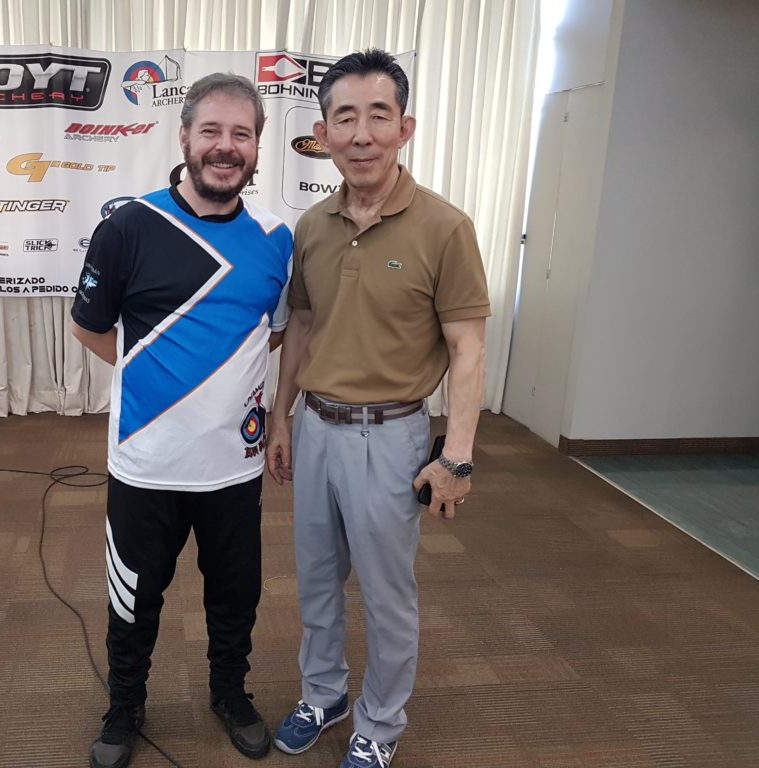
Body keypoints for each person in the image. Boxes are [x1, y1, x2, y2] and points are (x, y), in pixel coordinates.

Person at [267, 49, 490, 768]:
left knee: (388, 595)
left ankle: (381, 723)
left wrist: (457, 459)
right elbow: (303, 327)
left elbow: (468, 349)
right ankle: (324, 693)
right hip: (315, 427)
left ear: (404, 127)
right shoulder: (312, 226)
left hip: (391, 437)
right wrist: (281, 417)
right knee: (316, 580)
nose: (361, 134)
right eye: (345, 118)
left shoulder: (445, 228)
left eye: (378, 116)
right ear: (323, 134)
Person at [71, 73, 292, 768]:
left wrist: (221, 387)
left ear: (257, 147)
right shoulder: (128, 227)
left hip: (234, 467)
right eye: (212, 131)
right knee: (133, 599)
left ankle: (230, 694)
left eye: (241, 134)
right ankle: (125, 706)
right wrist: (155, 377)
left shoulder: (276, 237)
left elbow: (273, 334)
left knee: (235, 597)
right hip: (146, 462)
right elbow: (89, 328)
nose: (226, 147)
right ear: (185, 138)